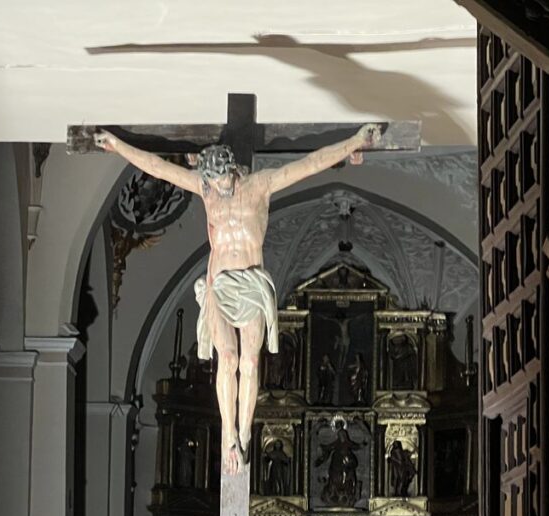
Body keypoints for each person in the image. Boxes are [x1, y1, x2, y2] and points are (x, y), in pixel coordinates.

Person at [97, 124, 382, 474]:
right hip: (219, 285)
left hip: (250, 284)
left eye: (222, 180)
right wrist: (117, 146)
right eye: (213, 182)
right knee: (227, 358)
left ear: (232, 169)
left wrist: (354, 142)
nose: (219, 188)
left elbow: (309, 164)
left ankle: (244, 433)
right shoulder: (206, 190)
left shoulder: (260, 185)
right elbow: (159, 167)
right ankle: (228, 434)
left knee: (249, 362)